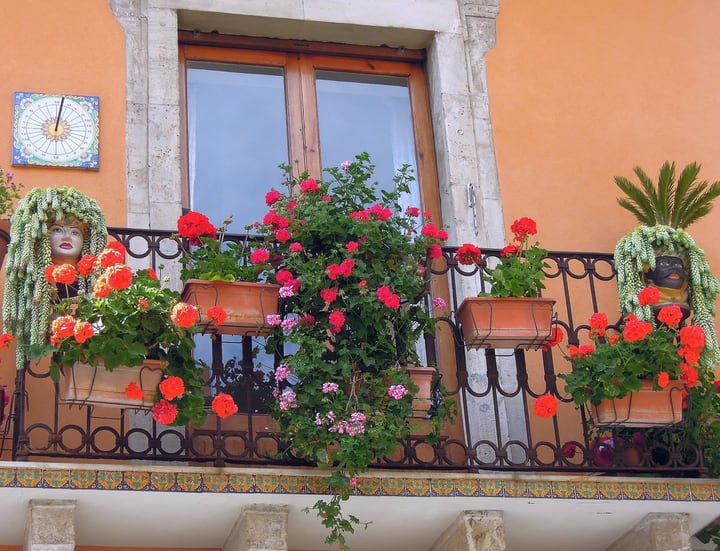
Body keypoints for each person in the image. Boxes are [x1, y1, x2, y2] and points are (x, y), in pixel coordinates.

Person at [2, 187, 107, 369]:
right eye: (58, 230)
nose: (67, 236)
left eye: (75, 232)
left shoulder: (94, 281)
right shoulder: (35, 280)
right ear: (41, 237)